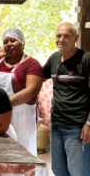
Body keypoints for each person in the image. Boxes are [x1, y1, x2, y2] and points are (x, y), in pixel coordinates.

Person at [43, 22, 90, 176]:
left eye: (66, 36)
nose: (61, 39)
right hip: (56, 124)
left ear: (75, 38)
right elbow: (36, 77)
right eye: (58, 35)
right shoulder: (54, 58)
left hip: (77, 127)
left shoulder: (85, 59)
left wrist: (88, 123)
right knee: (58, 170)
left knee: (78, 172)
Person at [0, 28, 43, 156]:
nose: (9, 44)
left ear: (22, 42)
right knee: (0, 151)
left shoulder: (32, 64)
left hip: (21, 114)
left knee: (23, 151)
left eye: (13, 40)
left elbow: (31, 91)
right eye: (6, 42)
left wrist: (4, 104)